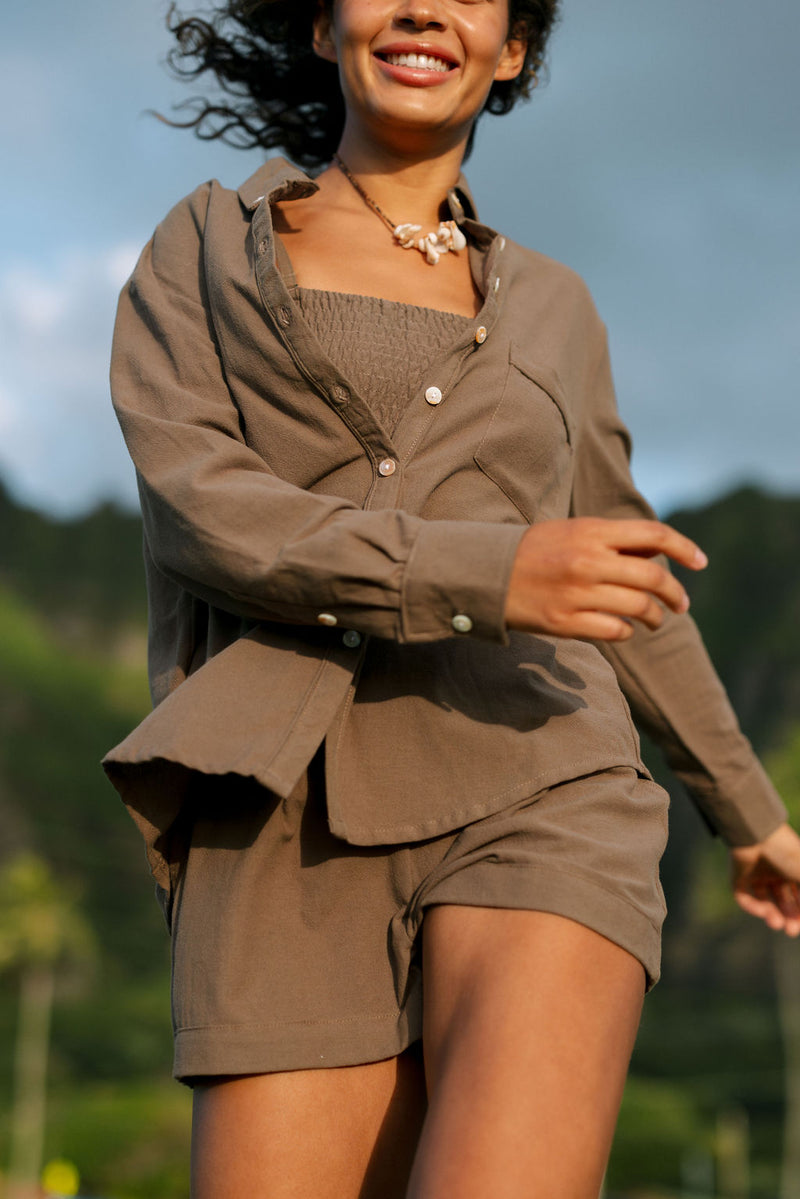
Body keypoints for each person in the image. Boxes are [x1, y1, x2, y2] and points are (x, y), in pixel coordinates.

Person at [103, 1, 800, 1195]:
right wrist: (491, 570)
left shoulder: (556, 307)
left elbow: (621, 583)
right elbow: (201, 510)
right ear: (325, 29)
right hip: (279, 818)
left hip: (541, 774)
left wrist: (753, 816)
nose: (425, 3)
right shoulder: (209, 247)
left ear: (512, 48)